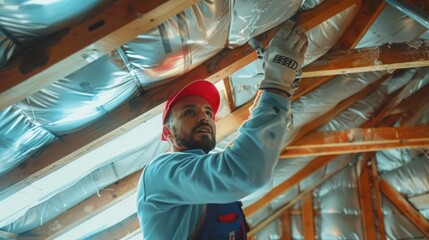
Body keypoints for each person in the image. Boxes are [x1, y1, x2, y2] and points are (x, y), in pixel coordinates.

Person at [136, 20, 307, 239]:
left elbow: (243, 165)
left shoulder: (209, 175)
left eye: (209, 112)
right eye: (190, 111)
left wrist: (273, 107)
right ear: (167, 132)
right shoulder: (160, 172)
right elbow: (245, 171)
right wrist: (276, 87)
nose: (203, 117)